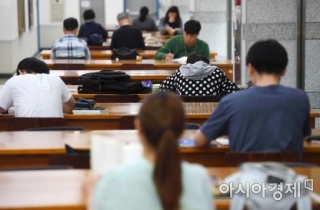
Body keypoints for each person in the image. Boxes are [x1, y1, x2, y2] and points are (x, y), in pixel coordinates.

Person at [91, 92, 214, 210]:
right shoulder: (200, 179)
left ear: (138, 127)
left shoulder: (112, 181)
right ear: (182, 130)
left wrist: (90, 197)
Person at [194, 39, 311, 160]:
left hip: (245, 176)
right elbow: (301, 138)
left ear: (250, 68)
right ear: (284, 70)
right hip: (289, 175)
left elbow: (199, 141)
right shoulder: (300, 99)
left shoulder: (232, 101)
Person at [0, 57, 75, 117]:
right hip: (55, 131)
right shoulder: (55, 78)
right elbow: (70, 107)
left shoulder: (15, 80)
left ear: (21, 71)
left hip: (25, 131)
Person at [159, 52, 240, 95]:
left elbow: (162, 88)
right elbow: (235, 91)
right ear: (205, 64)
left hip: (184, 113)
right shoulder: (216, 71)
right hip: (212, 112)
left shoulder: (179, 73)